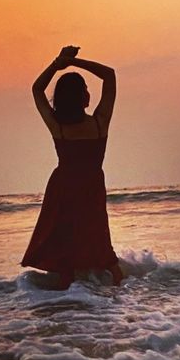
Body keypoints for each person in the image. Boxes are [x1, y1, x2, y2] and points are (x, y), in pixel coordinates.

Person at [21, 47, 123, 289]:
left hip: (63, 186)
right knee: (99, 237)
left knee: (64, 240)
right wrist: (75, 63)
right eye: (85, 89)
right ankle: (119, 291)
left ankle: (68, 296)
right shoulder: (100, 123)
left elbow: (36, 89)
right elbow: (110, 75)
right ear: (82, 97)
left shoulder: (59, 127)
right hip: (92, 186)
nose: (89, 93)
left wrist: (59, 63)